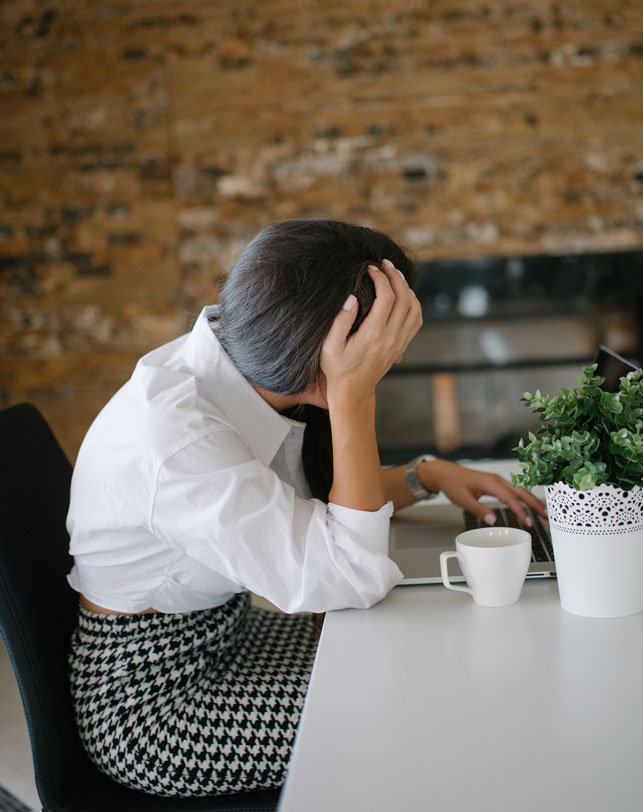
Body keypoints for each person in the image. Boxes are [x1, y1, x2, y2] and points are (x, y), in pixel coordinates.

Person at [66, 218, 546, 798]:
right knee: (430, 709)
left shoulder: (243, 364)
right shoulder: (179, 444)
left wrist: (427, 475)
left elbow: (314, 507)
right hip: (157, 699)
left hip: (227, 635)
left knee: (441, 658)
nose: (390, 360)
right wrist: (352, 395)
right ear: (328, 351)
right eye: (382, 346)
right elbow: (347, 577)